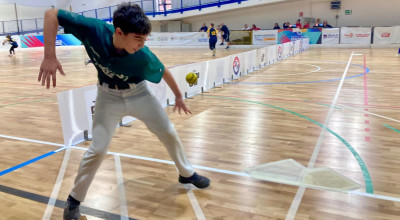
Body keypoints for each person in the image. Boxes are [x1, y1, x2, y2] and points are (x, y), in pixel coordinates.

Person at [38, 3, 210, 220]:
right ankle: (74, 200)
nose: (142, 44)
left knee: (168, 132)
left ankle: (186, 174)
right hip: (107, 96)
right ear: (119, 32)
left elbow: (164, 71)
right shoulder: (93, 29)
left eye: (145, 39)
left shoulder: (143, 56)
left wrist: (177, 96)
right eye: (138, 39)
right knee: (98, 149)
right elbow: (51, 14)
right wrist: (49, 55)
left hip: (139, 94)